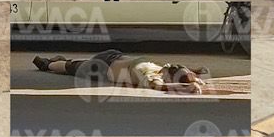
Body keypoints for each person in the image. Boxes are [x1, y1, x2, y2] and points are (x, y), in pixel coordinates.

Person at [32, 49, 206, 94]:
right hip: (103, 67)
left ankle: (58, 60)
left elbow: (179, 69)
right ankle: (48, 64)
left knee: (76, 64)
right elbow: (158, 87)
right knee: (72, 68)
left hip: (114, 57)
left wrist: (194, 77)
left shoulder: (165, 68)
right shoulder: (149, 73)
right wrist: (185, 88)